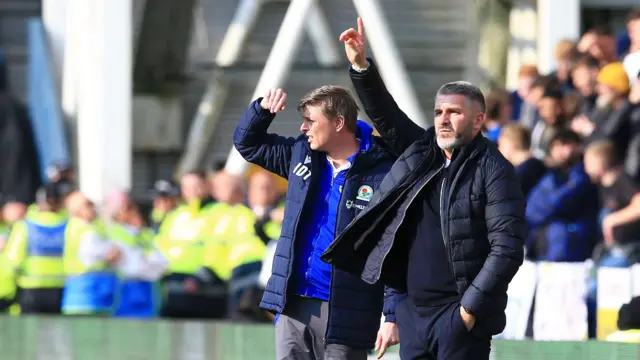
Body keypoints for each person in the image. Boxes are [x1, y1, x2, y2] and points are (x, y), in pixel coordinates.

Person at [321, 18, 526, 360]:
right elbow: (386, 116)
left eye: (454, 112)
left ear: (478, 121)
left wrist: (467, 313)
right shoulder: (421, 152)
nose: (443, 119)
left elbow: (507, 249)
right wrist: (360, 66)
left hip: (458, 320)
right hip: (413, 315)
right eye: (438, 112)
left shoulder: (494, 170)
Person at [233, 84, 401, 359]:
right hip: (293, 302)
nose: (303, 128)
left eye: (311, 121)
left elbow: (393, 246)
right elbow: (247, 144)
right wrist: (261, 112)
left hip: (347, 308)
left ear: (338, 123)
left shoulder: (383, 171)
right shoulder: (302, 155)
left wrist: (392, 313)